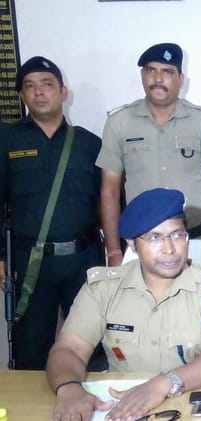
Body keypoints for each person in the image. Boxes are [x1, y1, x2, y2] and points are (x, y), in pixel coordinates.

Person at [46, 188, 201, 421]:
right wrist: (69, 388)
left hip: (188, 405)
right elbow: (69, 349)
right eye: (154, 238)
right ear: (132, 244)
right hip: (122, 409)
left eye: (177, 235)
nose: (169, 249)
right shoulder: (103, 289)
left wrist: (165, 383)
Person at [0, 57, 104, 370]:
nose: (39, 92)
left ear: (63, 91)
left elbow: (109, 201)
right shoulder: (6, 140)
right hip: (31, 263)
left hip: (84, 260)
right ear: (22, 95)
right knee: (31, 348)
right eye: (29, 86)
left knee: (93, 346)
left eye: (47, 84)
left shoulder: (89, 143)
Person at [96, 42, 201, 266]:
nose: (158, 78)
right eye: (151, 70)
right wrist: (113, 252)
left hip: (199, 242)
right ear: (142, 76)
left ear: (181, 79)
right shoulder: (119, 123)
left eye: (168, 72)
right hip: (143, 245)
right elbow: (109, 191)